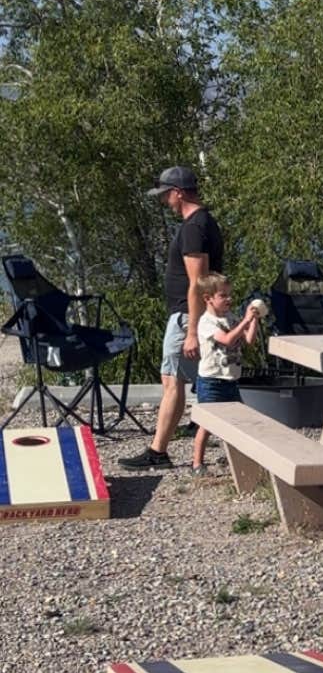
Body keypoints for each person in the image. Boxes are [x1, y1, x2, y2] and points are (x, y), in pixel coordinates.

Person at [125, 165, 223, 470]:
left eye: (167, 194)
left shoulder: (194, 227)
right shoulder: (203, 222)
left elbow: (199, 281)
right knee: (191, 379)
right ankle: (176, 444)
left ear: (178, 192)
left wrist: (193, 329)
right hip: (188, 313)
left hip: (185, 315)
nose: (165, 200)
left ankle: (158, 451)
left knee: (171, 380)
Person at [190, 276, 262, 473]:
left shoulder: (230, 318)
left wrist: (253, 321)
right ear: (208, 298)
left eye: (230, 295)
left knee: (237, 420)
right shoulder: (206, 322)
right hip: (211, 380)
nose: (228, 299)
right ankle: (197, 463)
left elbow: (248, 340)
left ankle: (235, 457)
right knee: (207, 422)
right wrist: (245, 320)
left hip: (231, 379)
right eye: (223, 295)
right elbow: (228, 340)